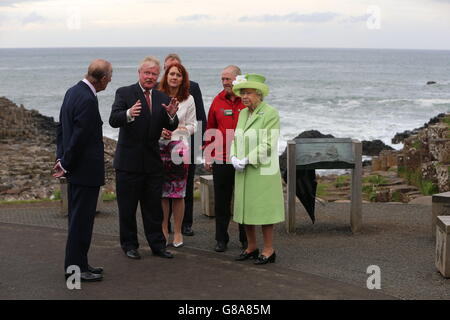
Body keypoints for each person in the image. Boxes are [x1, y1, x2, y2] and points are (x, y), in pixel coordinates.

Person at [109, 56, 179, 260]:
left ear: (158, 76)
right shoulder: (124, 92)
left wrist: (173, 116)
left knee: (153, 208)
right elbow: (114, 120)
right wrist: (129, 113)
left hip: (152, 162)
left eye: (154, 73)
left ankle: (158, 245)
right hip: (128, 163)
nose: (150, 76)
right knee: (127, 208)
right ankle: (129, 245)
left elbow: (171, 125)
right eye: (147, 72)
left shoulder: (162, 97)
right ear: (139, 73)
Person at [54, 59, 113, 282]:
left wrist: (60, 159)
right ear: (103, 78)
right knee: (81, 221)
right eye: (110, 75)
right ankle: (75, 270)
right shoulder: (88, 99)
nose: (111, 80)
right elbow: (79, 137)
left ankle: (81, 263)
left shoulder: (72, 91)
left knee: (79, 220)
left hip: (76, 169)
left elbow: (61, 127)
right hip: (85, 171)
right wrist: (66, 162)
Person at [229, 73, 285, 265]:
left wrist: (247, 159)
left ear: (259, 94)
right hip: (243, 170)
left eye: (248, 93)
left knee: (264, 211)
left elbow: (268, 144)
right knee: (246, 210)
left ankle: (269, 250)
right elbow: (236, 137)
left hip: (262, 171)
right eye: (242, 93)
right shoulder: (243, 113)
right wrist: (234, 156)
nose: (244, 96)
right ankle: (251, 247)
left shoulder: (270, 113)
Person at [203, 65, 247, 252]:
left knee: (244, 201)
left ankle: (246, 240)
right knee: (222, 202)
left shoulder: (247, 100)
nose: (224, 82)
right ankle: (221, 239)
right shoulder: (217, 100)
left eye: (228, 79)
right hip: (222, 158)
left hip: (244, 159)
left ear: (238, 79)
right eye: (222, 79)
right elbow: (210, 129)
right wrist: (208, 155)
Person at [163, 54, 207, 237]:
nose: (173, 74)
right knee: (164, 188)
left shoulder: (192, 88)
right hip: (163, 145)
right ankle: (166, 225)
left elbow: (199, 116)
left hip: (186, 143)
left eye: (176, 69)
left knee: (186, 186)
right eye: (168, 69)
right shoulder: (159, 89)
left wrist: (201, 144)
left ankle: (185, 224)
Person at [157, 62, 197, 247]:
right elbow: (152, 121)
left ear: (183, 79)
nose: (174, 77)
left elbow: (193, 125)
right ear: (166, 76)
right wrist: (160, 132)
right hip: (160, 147)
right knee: (164, 193)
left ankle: (178, 232)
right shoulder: (157, 95)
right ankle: (164, 229)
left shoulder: (188, 99)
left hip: (180, 148)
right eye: (172, 74)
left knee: (179, 193)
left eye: (178, 75)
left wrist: (183, 129)